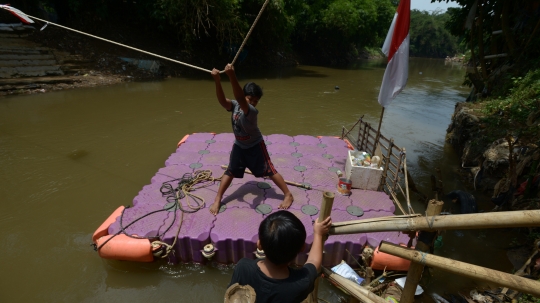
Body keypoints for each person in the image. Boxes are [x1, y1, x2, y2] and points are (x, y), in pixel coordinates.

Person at [209, 63, 294, 215]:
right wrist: (217, 81)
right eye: (250, 99)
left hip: (255, 145)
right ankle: (218, 198)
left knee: (270, 170)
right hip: (239, 145)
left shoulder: (252, 111)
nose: (252, 102)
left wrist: (232, 76)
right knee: (230, 171)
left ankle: (288, 194)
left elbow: (240, 98)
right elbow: (223, 101)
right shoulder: (235, 105)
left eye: (255, 100)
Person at [227, 210, 332, 303]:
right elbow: (314, 261)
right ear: (302, 248)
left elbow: (231, 295)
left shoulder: (243, 267)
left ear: (260, 245)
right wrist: (318, 234)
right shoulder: (300, 283)